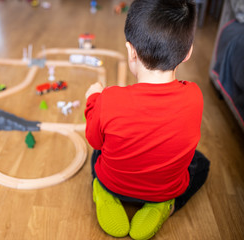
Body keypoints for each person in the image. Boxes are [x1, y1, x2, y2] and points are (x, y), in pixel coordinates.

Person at [84, 0, 210, 239]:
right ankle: (165, 205)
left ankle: (104, 193)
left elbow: (94, 140)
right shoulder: (195, 96)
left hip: (115, 183)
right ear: (188, 52)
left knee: (97, 154)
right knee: (201, 164)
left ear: (131, 51)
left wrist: (93, 101)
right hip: (163, 189)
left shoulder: (108, 100)